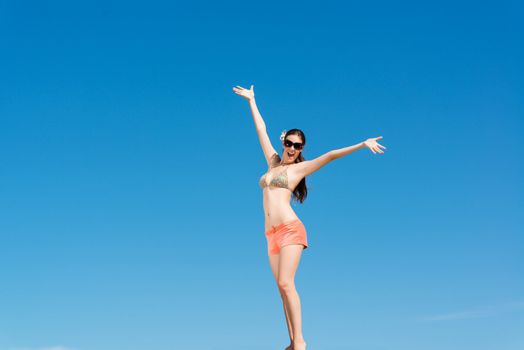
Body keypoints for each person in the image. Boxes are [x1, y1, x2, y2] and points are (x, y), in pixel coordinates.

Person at [232, 84, 386, 350]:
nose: (292, 148)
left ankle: (301, 342)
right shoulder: (272, 163)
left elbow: (330, 156)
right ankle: (292, 341)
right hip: (271, 234)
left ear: (302, 148)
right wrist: (251, 101)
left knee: (285, 282)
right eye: (289, 143)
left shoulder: (300, 168)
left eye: (297, 145)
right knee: (281, 290)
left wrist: (362, 144)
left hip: (291, 229)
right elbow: (261, 130)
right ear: (284, 142)